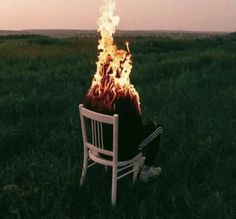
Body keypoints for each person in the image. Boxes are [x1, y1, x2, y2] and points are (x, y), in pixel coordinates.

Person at [83, 88, 162, 182]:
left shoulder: (96, 98)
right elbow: (138, 130)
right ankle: (146, 172)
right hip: (122, 154)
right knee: (158, 128)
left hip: (100, 150)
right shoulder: (126, 103)